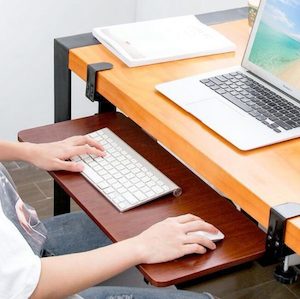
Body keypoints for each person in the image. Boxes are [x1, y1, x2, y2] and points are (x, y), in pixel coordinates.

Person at [0, 136, 218, 299]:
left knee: (139, 223)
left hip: (24, 242)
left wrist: (30, 151)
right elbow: (28, 286)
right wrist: (142, 247)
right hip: (31, 283)